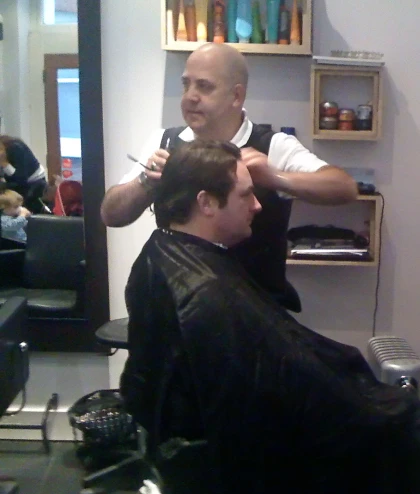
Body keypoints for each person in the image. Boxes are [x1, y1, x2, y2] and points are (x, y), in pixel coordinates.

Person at [120, 140, 420, 494]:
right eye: (246, 195)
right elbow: (288, 388)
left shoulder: (159, 254)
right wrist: (384, 408)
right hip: (229, 474)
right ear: (206, 203)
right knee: (398, 424)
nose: (259, 206)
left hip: (190, 461)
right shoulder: (208, 292)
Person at [101, 42, 357, 310]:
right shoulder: (164, 142)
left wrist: (275, 177)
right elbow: (111, 215)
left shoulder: (274, 146)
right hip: (181, 312)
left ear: (236, 96)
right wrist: (147, 180)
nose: (190, 96)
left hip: (258, 316)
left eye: (204, 86)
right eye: (186, 84)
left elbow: (344, 188)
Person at [0, 135, 50, 214]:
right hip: (16, 182)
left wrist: (4, 163)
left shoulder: (16, 148)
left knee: (14, 200)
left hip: (34, 182)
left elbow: (20, 179)